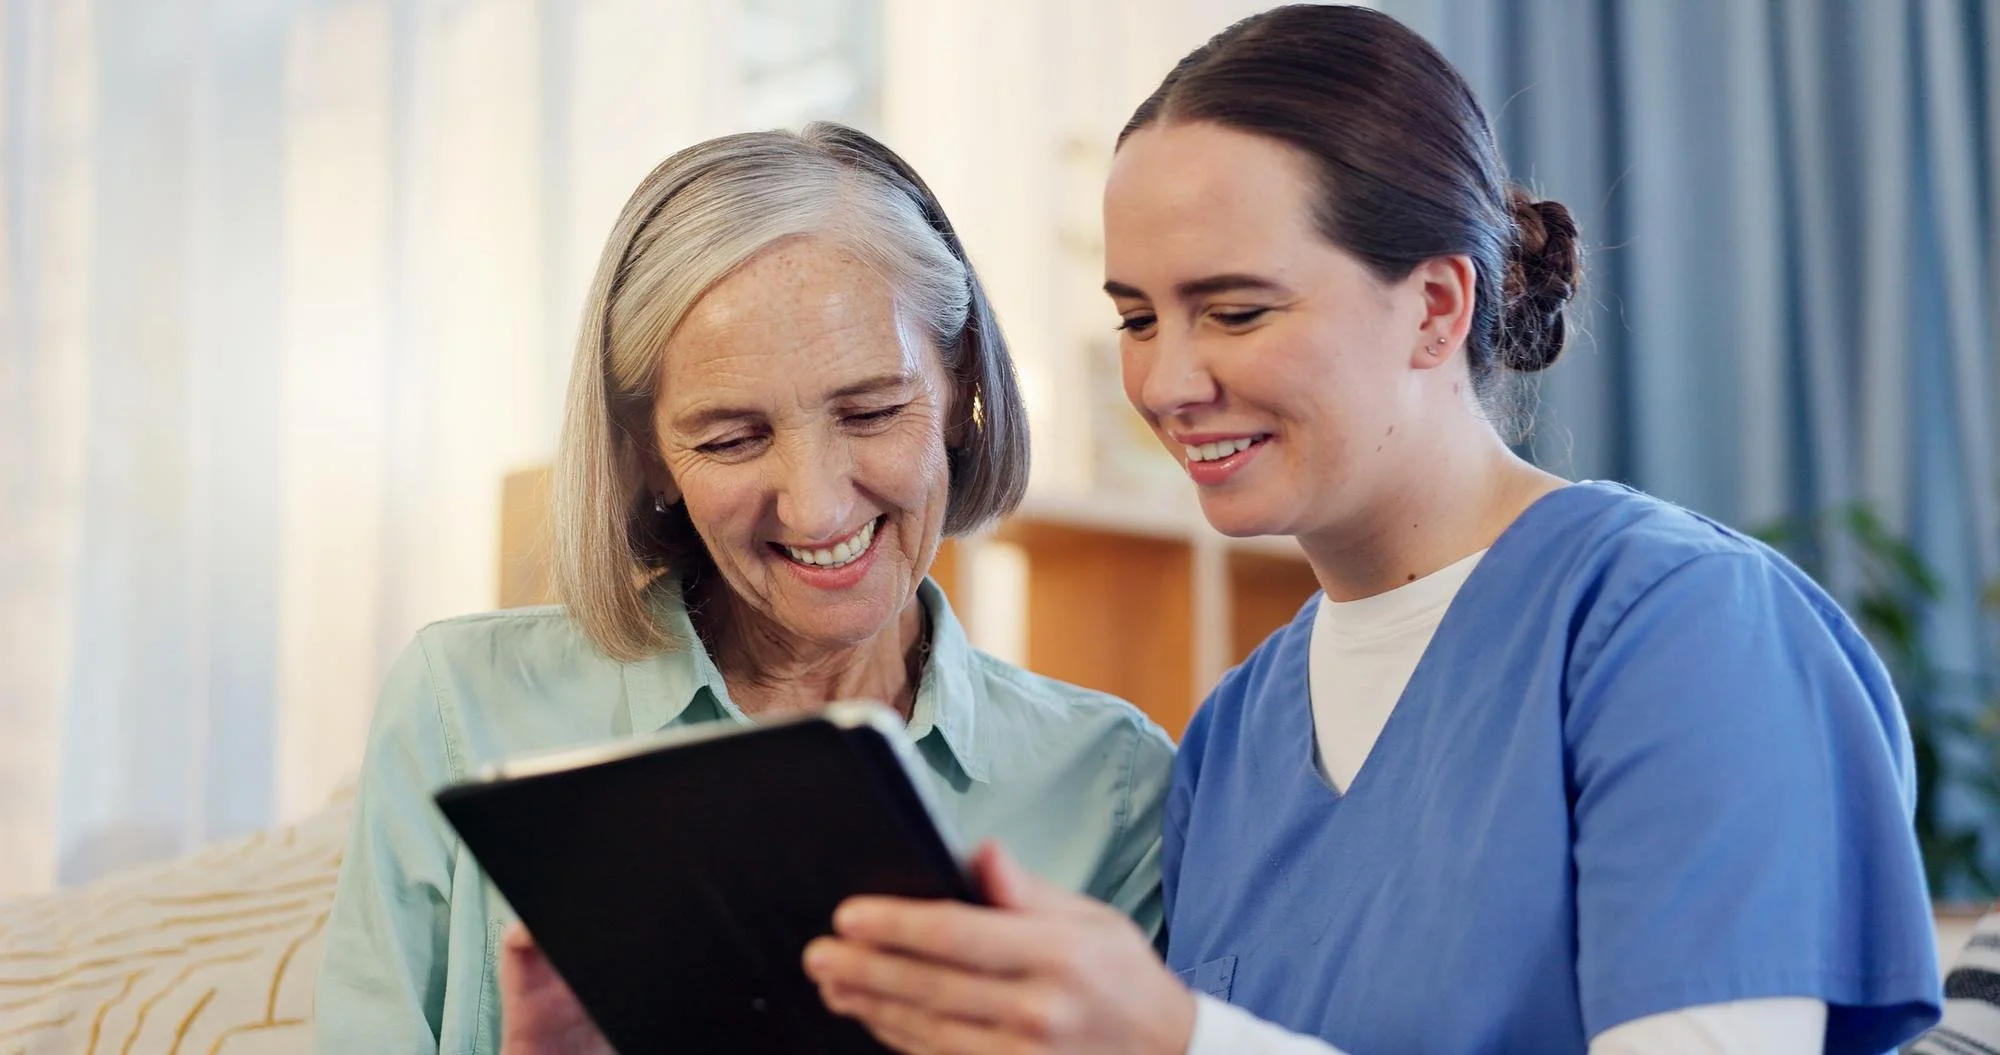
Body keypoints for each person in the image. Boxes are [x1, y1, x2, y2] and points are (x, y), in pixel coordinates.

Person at [801, 6, 1942, 1053]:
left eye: (1236, 310)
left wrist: (1176, 1038)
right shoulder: (1231, 741)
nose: (1168, 379)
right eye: (1137, 317)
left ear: (1437, 305)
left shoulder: (1681, 630)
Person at [312, 123, 1174, 1053]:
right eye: (730, 438)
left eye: (873, 409)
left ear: (961, 384)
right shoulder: (463, 704)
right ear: (647, 454)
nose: (813, 507)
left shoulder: (1112, 784)